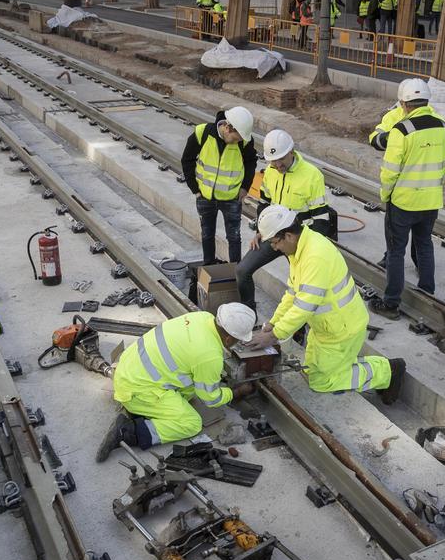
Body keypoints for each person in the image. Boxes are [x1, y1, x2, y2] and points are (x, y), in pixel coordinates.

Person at [247, 206, 406, 402]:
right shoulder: (300, 250)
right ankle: (352, 366)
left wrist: (274, 335)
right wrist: (272, 323)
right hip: (326, 327)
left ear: (288, 235)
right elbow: (292, 294)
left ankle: (387, 372)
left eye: (274, 242)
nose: (274, 247)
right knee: (315, 370)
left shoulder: (314, 256)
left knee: (322, 382)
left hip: (341, 329)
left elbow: (304, 305)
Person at [96, 303, 256, 461]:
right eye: (238, 340)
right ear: (228, 339)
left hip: (127, 368)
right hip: (135, 390)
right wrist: (235, 393)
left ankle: (146, 410)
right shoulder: (210, 356)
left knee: (192, 387)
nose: (239, 343)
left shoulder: (202, 317)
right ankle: (127, 431)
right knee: (191, 423)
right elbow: (211, 399)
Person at [369, 78, 445, 320]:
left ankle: (391, 304)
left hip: (403, 202)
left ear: (403, 104)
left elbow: (390, 171)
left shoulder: (401, 130)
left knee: (396, 252)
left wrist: (387, 195)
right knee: (425, 244)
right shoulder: (443, 126)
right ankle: (427, 294)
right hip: (431, 201)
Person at [236, 129, 331, 312]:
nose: (277, 165)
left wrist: (307, 250)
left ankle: (300, 328)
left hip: (298, 242)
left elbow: (321, 220)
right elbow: (264, 204)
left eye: (281, 159)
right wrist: (261, 231)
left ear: (292, 152)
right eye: (273, 160)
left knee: (303, 287)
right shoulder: (270, 172)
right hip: (274, 237)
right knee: (242, 271)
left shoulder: (312, 175)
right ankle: (248, 314)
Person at [180, 106, 256, 265]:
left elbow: (250, 162)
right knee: (207, 234)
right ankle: (209, 269)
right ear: (227, 128)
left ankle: (235, 272)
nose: (238, 141)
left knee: (234, 237)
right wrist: (195, 189)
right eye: (236, 138)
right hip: (205, 197)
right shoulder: (203, 133)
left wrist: (244, 187)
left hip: (231, 198)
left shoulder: (245, 141)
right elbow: (187, 159)